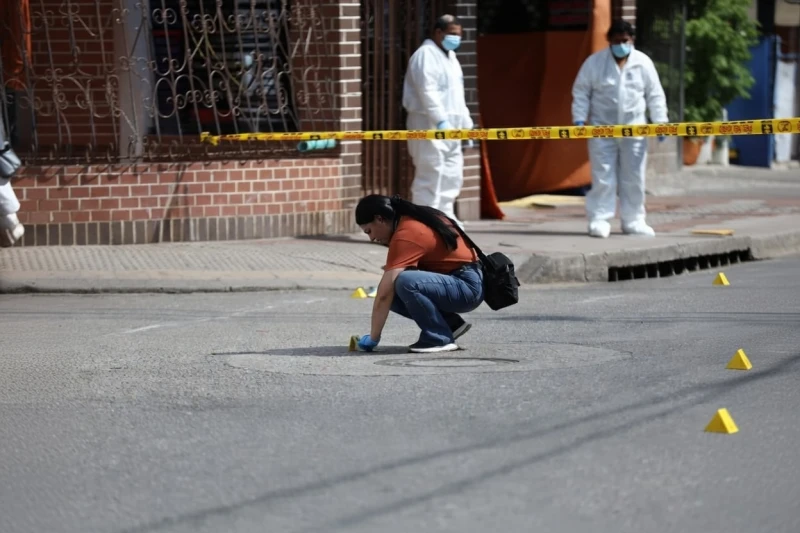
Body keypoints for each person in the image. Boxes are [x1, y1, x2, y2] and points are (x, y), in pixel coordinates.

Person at [571, 19, 669, 239]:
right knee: (603, 175)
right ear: (609, 41)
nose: (620, 45)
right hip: (601, 129)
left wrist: (660, 121)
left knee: (634, 176)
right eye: (616, 41)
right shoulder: (594, 63)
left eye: (624, 41)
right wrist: (579, 118)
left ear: (631, 39)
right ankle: (600, 219)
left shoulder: (643, 63)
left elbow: (655, 94)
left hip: (635, 128)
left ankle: (634, 220)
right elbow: (581, 92)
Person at [354, 194, 484, 354]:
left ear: (380, 219)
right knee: (395, 287)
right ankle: (450, 324)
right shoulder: (411, 219)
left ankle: (438, 338)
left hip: (467, 287)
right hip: (464, 281)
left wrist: (373, 339)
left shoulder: (407, 232)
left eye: (369, 231)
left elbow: (383, 295)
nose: (371, 238)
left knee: (403, 282)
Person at [402, 14, 473, 229]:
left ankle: (445, 219)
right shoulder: (425, 55)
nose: (455, 38)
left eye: (458, 35)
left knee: (452, 174)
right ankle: (425, 223)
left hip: (452, 127)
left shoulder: (451, 58)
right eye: (451, 34)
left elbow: (457, 96)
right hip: (428, 124)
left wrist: (466, 126)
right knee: (431, 172)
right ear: (438, 32)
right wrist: (441, 120)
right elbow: (427, 92)